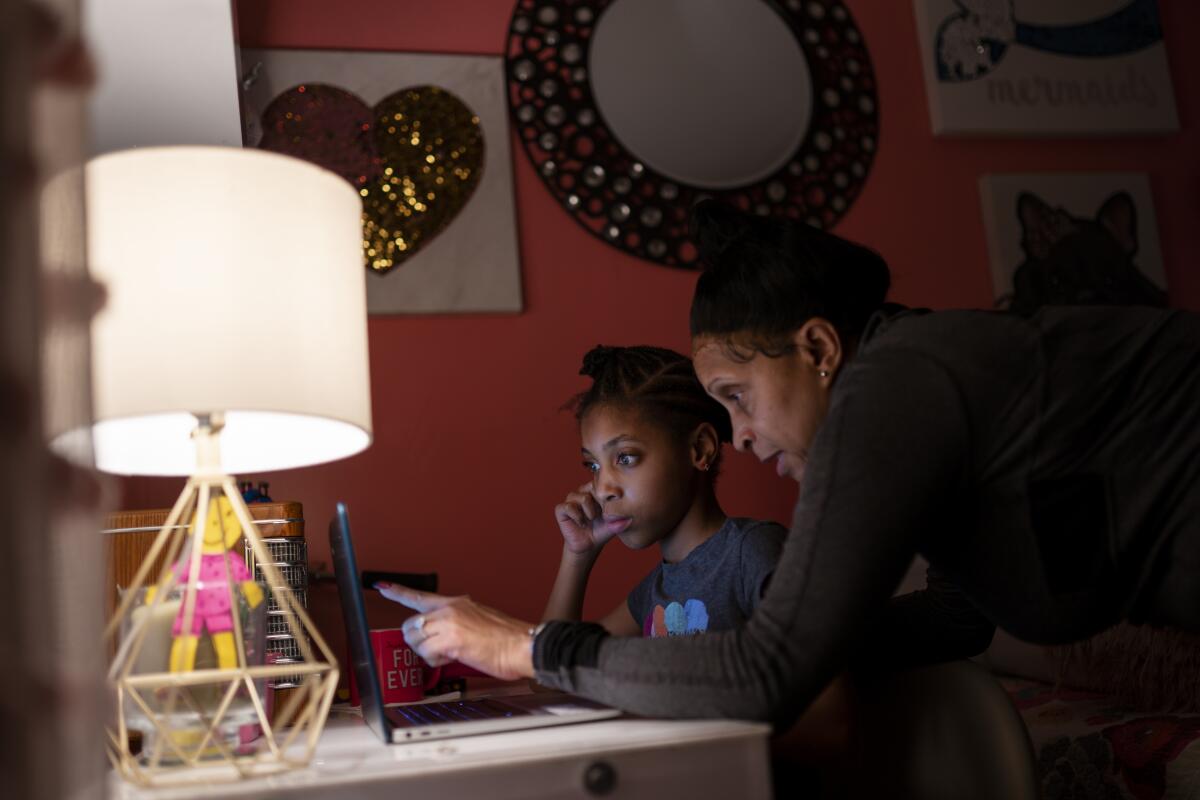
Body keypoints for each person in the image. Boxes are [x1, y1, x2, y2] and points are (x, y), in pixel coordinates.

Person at [375, 200, 1200, 728]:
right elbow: (959, 617)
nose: (737, 436)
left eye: (737, 395)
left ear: (817, 348)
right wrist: (734, 651)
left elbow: (770, 673)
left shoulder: (898, 383)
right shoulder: (924, 383)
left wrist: (528, 648)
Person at [537, 344, 786, 638]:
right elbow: (552, 672)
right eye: (593, 466)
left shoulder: (752, 553)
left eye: (626, 458)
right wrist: (577, 556)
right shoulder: (652, 594)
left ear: (700, 448)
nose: (602, 489)